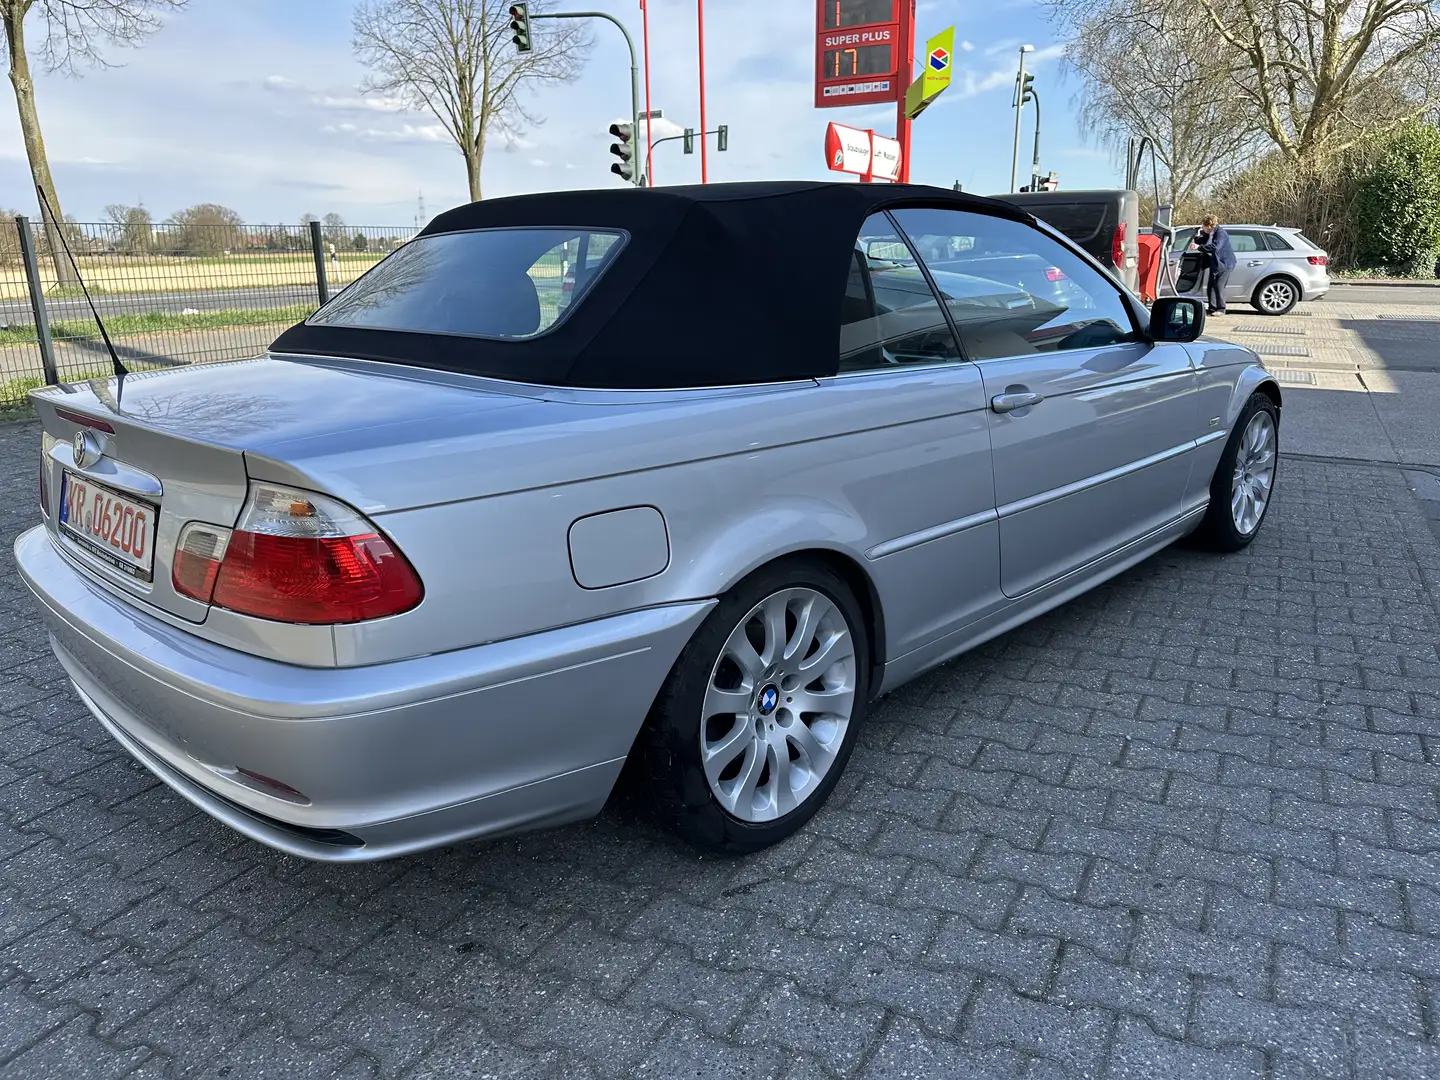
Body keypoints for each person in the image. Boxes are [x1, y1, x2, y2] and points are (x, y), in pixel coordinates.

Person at [1194, 214, 1236, 315]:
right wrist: (1196, 235)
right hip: (1215, 263)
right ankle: (1212, 308)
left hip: (1224, 263)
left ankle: (1221, 309)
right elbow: (1201, 241)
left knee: (1218, 286)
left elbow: (1216, 247)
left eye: (1203, 226)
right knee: (1211, 286)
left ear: (1209, 226)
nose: (1203, 228)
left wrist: (1199, 248)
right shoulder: (1209, 233)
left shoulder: (1221, 233)